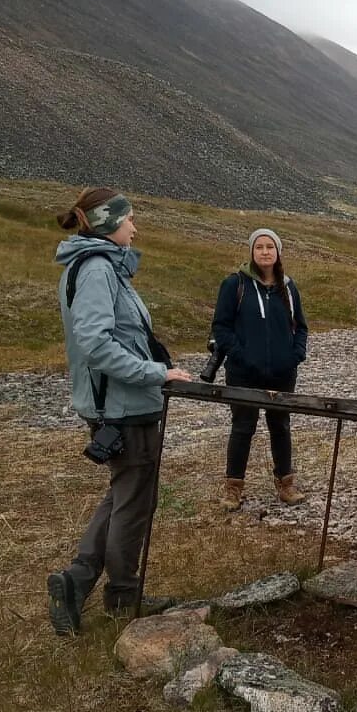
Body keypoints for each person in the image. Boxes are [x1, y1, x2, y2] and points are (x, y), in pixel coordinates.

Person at [47, 187, 194, 635]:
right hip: (123, 407)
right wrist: (155, 373)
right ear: (110, 222)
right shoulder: (96, 269)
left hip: (121, 403)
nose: (136, 226)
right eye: (130, 218)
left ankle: (79, 582)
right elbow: (95, 343)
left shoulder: (100, 267)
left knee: (123, 495)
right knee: (134, 503)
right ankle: (119, 595)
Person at [211, 229, 309, 511]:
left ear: (278, 252)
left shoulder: (289, 288)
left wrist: (296, 355)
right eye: (259, 247)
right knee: (242, 427)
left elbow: (300, 327)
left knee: (280, 426)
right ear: (251, 252)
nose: (265, 252)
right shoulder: (235, 284)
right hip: (243, 372)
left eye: (270, 247)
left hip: (282, 372)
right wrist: (240, 356)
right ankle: (233, 488)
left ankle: (286, 484)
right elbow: (221, 327)